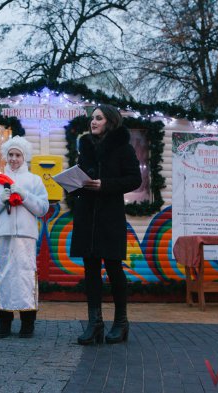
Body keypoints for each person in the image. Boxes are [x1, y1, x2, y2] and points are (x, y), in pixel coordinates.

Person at [70, 104, 142, 345]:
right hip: (87, 216)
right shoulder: (86, 146)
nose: (93, 122)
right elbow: (82, 173)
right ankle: (95, 323)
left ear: (110, 121)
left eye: (98, 118)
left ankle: (121, 323)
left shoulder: (123, 148)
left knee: (114, 269)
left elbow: (134, 179)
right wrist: (75, 181)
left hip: (110, 217)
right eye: (92, 118)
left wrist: (105, 185)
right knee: (90, 271)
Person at [0, 136, 49, 338]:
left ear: (24, 157)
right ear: (6, 156)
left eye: (18, 155)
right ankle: (4, 322)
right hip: (4, 234)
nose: (13, 159)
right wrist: (1, 199)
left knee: (26, 276)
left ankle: (27, 322)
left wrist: (25, 196)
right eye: (10, 154)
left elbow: (42, 208)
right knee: (5, 276)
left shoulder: (34, 180)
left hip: (26, 235)